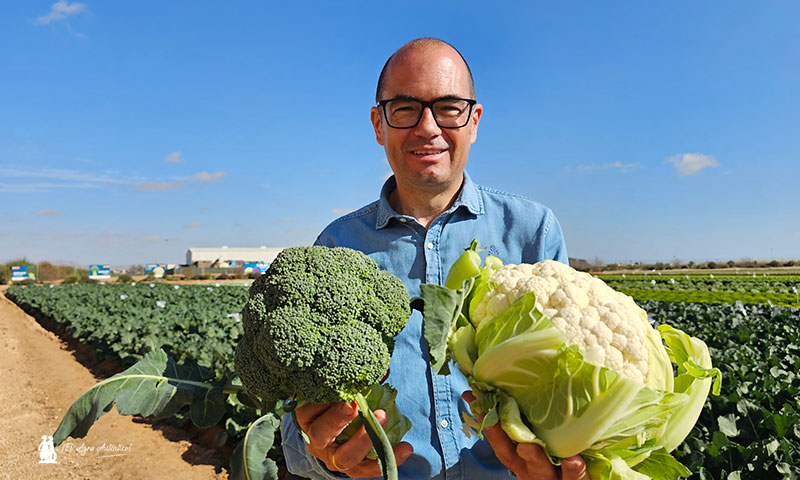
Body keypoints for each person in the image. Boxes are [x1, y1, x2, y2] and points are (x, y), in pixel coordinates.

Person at [281, 38, 590, 480]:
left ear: (475, 120)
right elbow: (298, 426)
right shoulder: (335, 247)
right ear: (378, 124)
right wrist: (322, 453)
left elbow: (573, 382)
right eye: (405, 108)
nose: (428, 128)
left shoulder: (532, 231)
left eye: (449, 108)